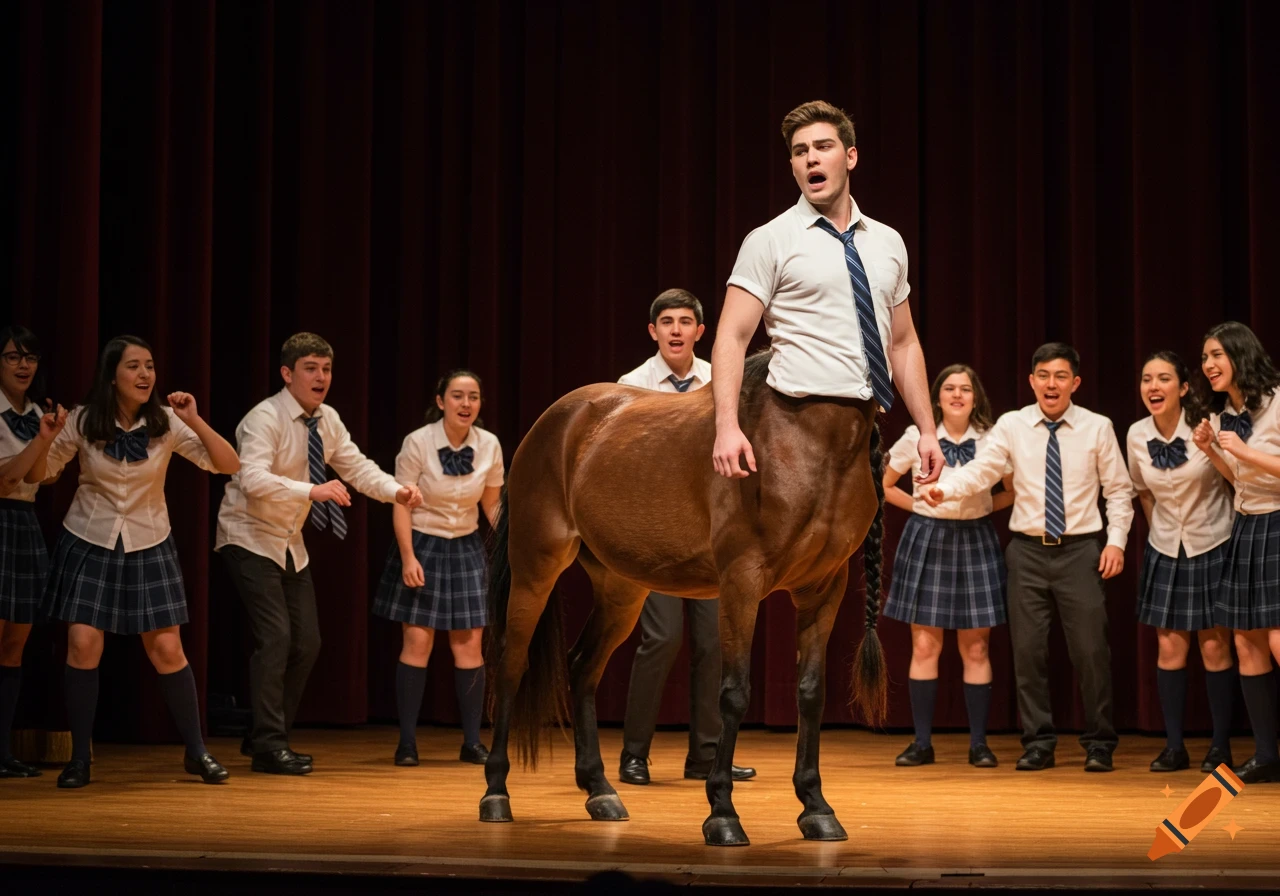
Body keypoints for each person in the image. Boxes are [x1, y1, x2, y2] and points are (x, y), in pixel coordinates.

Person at [27, 335, 240, 788]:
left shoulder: (164, 422)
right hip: (89, 537)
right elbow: (40, 475)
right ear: (112, 375)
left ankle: (196, 752)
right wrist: (46, 438)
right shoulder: (83, 420)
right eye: (134, 367)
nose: (146, 375)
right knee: (83, 644)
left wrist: (195, 420)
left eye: (149, 366)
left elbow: (227, 465)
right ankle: (80, 758)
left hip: (148, 539)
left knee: (167, 649)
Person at [215, 332, 422, 776]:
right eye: (311, 368)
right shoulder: (263, 418)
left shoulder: (326, 419)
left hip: (290, 543)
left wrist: (396, 491)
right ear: (287, 374)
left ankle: (263, 736)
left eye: (326, 369)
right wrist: (314, 490)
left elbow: (356, 465)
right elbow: (250, 478)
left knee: (307, 642)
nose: (321, 377)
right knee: (276, 638)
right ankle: (271, 745)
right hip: (248, 536)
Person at [924, 343, 1134, 773]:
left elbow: (1118, 490)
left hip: (1080, 549)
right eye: (1042, 375)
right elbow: (984, 470)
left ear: (1075, 383)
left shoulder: (1097, 427)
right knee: (1028, 651)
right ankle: (1038, 742)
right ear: (1031, 381)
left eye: (1060, 376)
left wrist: (1116, 542)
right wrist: (946, 487)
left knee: (1091, 650)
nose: (1050, 384)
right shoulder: (1012, 425)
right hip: (1026, 551)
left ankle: (1099, 742)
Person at [711, 100, 943, 484]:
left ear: (850, 156)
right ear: (792, 166)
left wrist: (928, 431)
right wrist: (726, 427)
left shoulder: (888, 241)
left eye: (823, 147)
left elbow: (902, 343)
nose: (811, 159)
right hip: (791, 423)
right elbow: (732, 337)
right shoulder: (771, 240)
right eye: (800, 152)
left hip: (860, 425)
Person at [616, 289, 755, 785]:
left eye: (686, 322)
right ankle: (634, 754)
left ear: (701, 332)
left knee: (714, 642)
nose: (676, 329)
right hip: (657, 531)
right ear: (652, 331)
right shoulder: (631, 387)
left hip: (713, 530)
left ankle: (707, 755)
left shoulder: (723, 380)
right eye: (667, 322)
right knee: (661, 637)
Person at [883, 364, 1013, 768]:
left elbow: (1013, 491)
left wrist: (982, 509)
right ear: (936, 396)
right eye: (950, 389)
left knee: (976, 645)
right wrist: (921, 507)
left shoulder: (993, 439)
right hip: (928, 539)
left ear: (976, 397)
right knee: (925, 643)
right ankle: (922, 743)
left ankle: (979, 744)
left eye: (966, 389)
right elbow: (884, 485)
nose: (957, 395)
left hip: (976, 539)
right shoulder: (916, 438)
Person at [374, 370, 502, 767]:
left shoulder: (489, 444)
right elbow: (400, 502)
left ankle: (471, 742)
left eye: (474, 397)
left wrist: (513, 550)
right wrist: (409, 557)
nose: (466, 404)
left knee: (469, 646)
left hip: (466, 545)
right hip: (423, 542)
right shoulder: (418, 441)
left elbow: (493, 506)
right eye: (458, 396)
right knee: (417, 642)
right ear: (441, 400)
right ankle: (407, 743)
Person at [1127, 351, 1235, 773]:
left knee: (1214, 645)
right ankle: (1174, 747)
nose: (1154, 386)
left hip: (1212, 542)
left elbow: (1235, 479)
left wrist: (1212, 450)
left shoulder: (1207, 425)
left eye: (1164, 378)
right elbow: (1143, 491)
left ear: (1184, 387)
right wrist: (1160, 535)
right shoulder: (1136, 433)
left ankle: (1221, 746)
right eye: (1146, 378)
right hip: (1165, 547)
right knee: (1169, 647)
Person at [1195, 321, 1280, 783]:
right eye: (1205, 357)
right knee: (1247, 643)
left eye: (1216, 356)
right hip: (1248, 526)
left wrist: (1243, 453)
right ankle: (1267, 755)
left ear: (1240, 355)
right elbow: (1239, 481)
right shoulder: (1228, 413)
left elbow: (1258, 465)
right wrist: (1214, 452)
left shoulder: (1278, 400)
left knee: (1277, 640)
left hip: (1279, 521)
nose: (1208, 365)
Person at [0, 326, 65, 779]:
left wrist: (46, 438)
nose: (24, 365)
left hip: (23, 524)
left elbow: (40, 477)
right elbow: (4, 479)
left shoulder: (39, 412)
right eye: (12, 357)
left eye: (31, 357)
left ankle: (3, 749)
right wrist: (41, 441)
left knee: (14, 644)